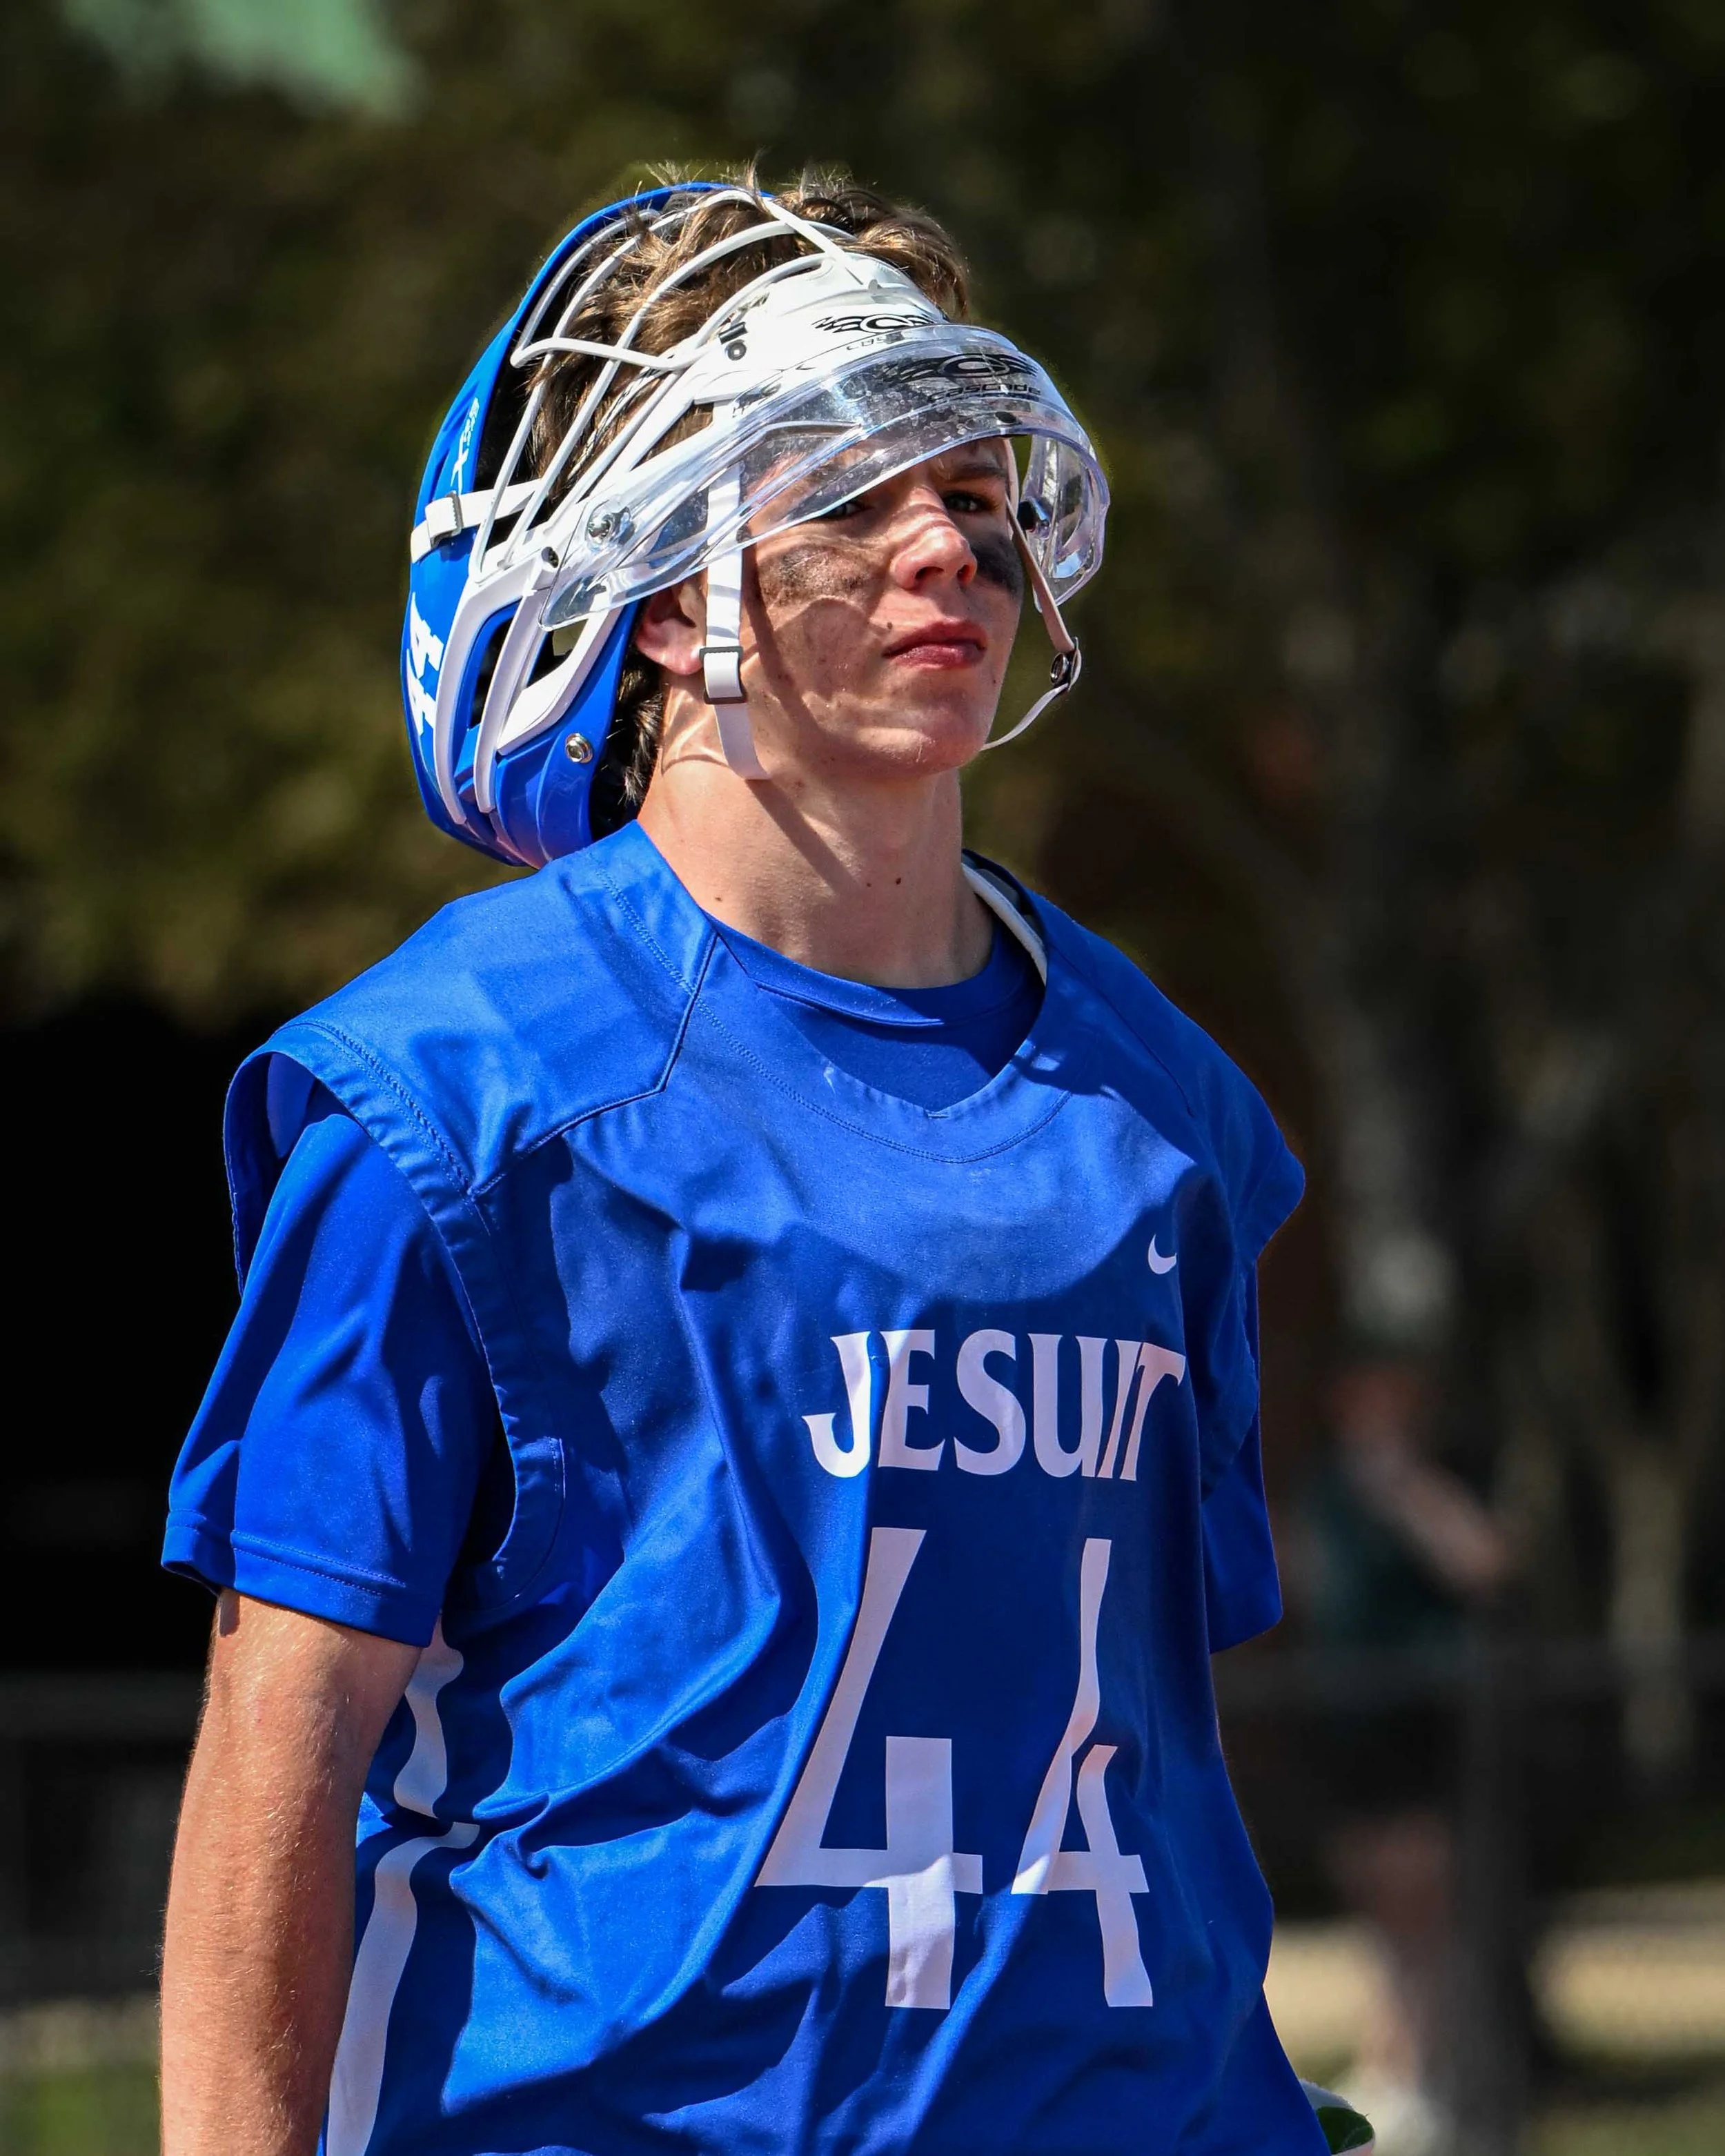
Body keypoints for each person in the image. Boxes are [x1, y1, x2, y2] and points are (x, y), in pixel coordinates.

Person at [158, 172, 1361, 2156]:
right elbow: (279, 1747)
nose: (948, 545)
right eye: (848, 490)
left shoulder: (1163, 1109)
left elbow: (1135, 1745)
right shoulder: (459, 1097)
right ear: (653, 589)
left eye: (972, 486)